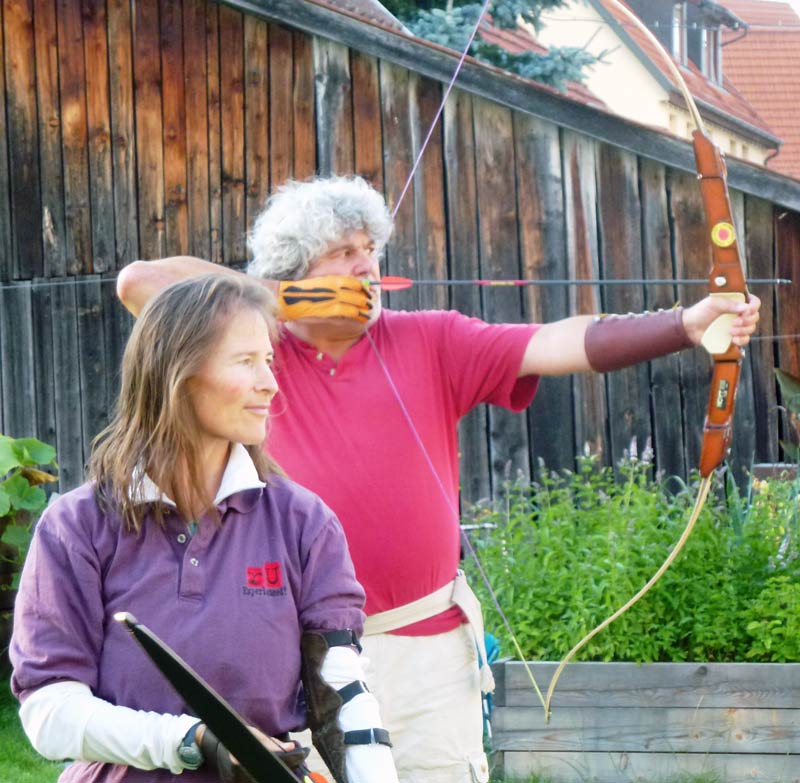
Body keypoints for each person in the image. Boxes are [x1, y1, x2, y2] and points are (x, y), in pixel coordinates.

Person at [116, 176, 761, 783]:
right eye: (345, 253)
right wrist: (277, 300)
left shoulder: (431, 340)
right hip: (287, 649)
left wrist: (685, 324)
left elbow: (557, 342)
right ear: (294, 270)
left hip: (422, 647)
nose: (368, 267)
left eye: (372, 251)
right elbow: (140, 283)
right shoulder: (256, 355)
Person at [10, 274, 398, 783]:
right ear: (179, 374)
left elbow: (341, 690)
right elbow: (50, 712)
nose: (271, 383)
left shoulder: (304, 523)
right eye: (245, 362)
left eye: (268, 360)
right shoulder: (78, 526)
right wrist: (192, 740)